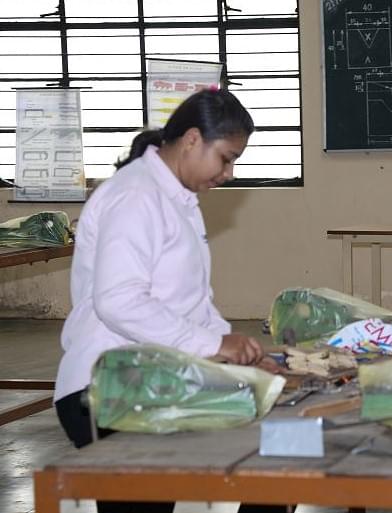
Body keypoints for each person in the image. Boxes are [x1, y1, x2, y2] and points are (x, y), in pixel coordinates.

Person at [54, 89, 285, 513]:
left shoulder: (178, 199)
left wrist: (237, 349)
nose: (229, 173)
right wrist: (212, 347)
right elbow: (118, 301)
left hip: (152, 380)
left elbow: (192, 303)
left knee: (280, 448)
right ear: (193, 140)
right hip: (108, 389)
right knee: (272, 448)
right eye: (227, 158)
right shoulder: (136, 196)